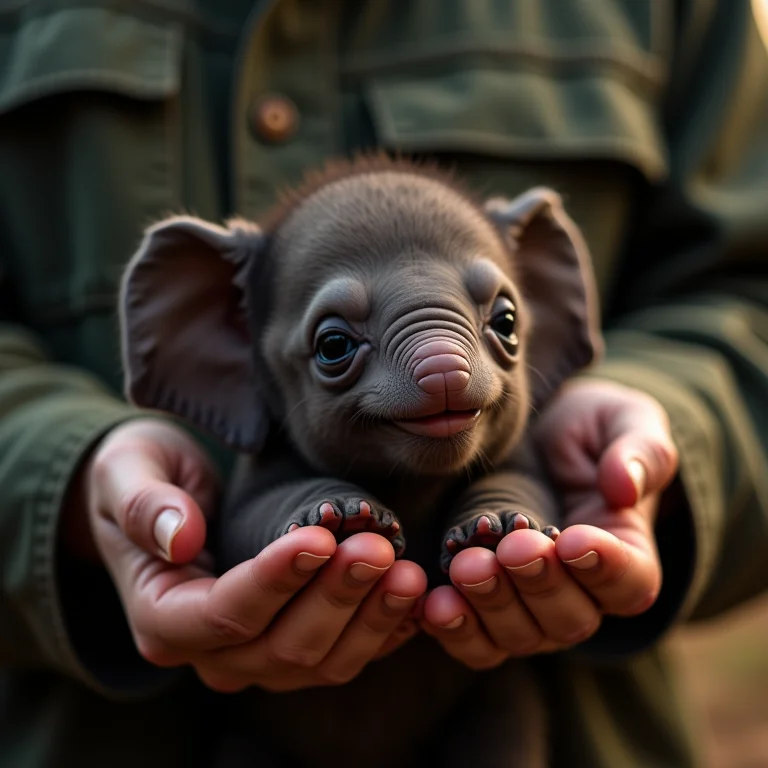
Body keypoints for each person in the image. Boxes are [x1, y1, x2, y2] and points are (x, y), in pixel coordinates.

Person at [1, 0, 767, 765]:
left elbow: (748, 298)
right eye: (337, 345)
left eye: (498, 326)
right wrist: (66, 486)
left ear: (546, 312)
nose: (444, 371)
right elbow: (253, 512)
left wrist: (620, 455)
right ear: (231, 342)